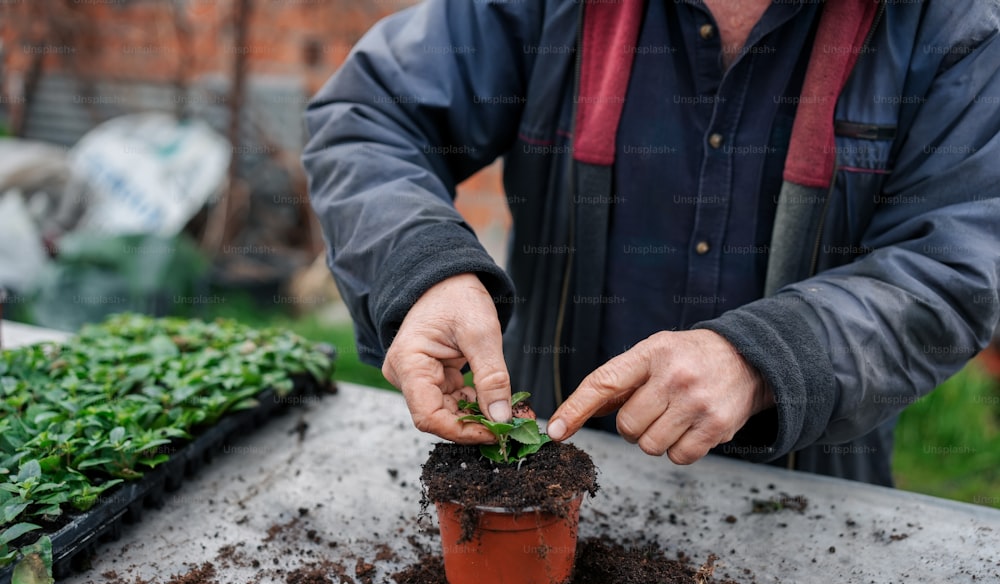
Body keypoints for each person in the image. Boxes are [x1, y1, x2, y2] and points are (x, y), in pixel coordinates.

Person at [302, 0, 1000, 486]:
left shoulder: (954, 26)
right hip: (554, 478)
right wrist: (423, 268)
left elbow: (954, 266)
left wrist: (762, 358)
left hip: (807, 498)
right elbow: (368, 116)